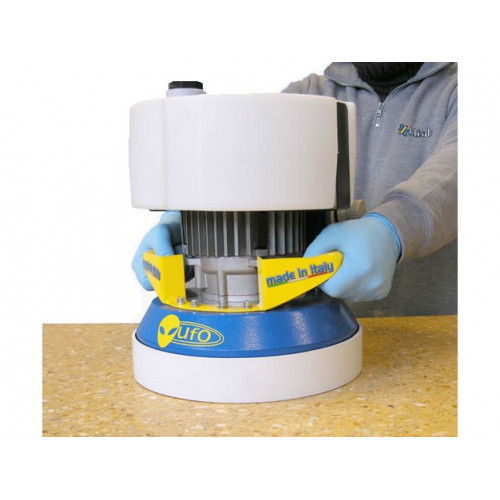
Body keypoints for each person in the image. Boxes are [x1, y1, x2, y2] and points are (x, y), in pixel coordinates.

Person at [133, 63, 457, 317]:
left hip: (430, 332)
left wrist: (392, 228)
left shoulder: (457, 89)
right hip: (305, 313)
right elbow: (246, 168)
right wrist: (181, 217)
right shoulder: (307, 94)